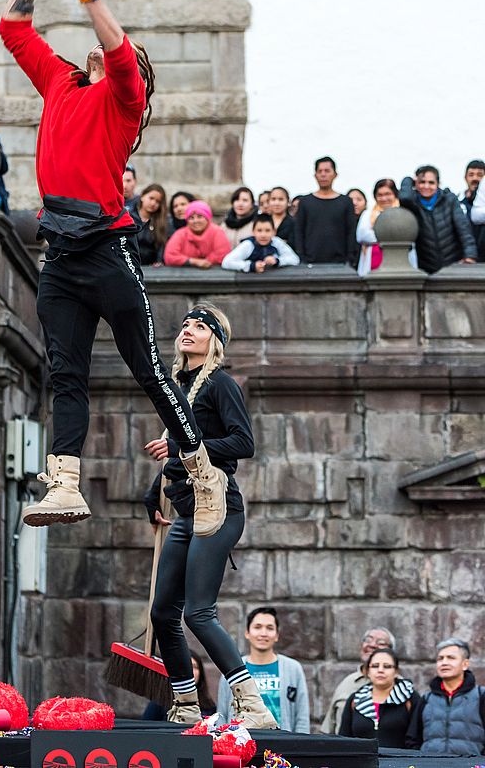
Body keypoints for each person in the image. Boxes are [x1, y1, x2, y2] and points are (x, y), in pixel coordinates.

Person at [0, 0, 226, 534]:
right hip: (61, 254)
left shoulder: (124, 101)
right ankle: (64, 484)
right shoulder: (61, 83)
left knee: (149, 368)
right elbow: (14, 30)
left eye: (115, 54)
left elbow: (122, 53)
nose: (101, 52)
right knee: (63, 372)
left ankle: (202, 474)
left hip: (107, 250)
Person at [143, 304, 276, 730]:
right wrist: (155, 494)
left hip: (219, 510)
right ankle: (185, 703)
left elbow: (242, 442)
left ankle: (251, 704)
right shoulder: (177, 386)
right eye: (184, 324)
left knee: (198, 612)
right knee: (163, 612)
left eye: (199, 327)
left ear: (214, 340)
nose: (188, 330)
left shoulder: (220, 384)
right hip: (185, 511)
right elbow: (178, 455)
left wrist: (188, 446)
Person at [216, 606, 309, 733]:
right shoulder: (231, 669)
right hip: (241, 745)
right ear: (247, 633)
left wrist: (299, 747)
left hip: (283, 745)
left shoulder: (293, 669)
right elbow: (222, 715)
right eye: (257, 627)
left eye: (269, 628)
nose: (263, 633)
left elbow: (302, 718)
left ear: (277, 635)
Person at [406, 639, 485, 755]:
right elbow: (412, 739)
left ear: (465, 664)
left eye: (451, 658)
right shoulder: (426, 699)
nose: (444, 662)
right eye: (440, 658)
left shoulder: (480, 695)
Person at [399, 165, 477, 272]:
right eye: (422, 182)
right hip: (427, 265)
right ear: (416, 183)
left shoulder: (449, 200)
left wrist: (470, 255)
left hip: (454, 263)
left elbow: (463, 228)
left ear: (438, 184)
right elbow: (404, 197)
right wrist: (408, 179)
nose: (426, 186)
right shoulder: (414, 203)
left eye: (431, 182)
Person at [321, 627, 397, 733]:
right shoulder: (347, 683)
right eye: (368, 640)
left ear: (391, 652)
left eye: (381, 642)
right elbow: (328, 729)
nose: (372, 645)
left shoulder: (402, 689)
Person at [339, 648, 414, 747]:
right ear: (368, 671)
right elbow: (344, 739)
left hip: (400, 761)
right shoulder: (355, 700)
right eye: (375, 666)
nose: (380, 670)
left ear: (396, 672)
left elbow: (415, 740)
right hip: (361, 761)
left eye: (387, 666)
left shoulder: (409, 698)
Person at [293, 157, 357, 266]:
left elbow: (351, 232)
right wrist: (301, 257)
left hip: (339, 262)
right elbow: (299, 231)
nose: (323, 174)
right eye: (320, 171)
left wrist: (349, 258)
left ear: (335, 174)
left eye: (327, 171)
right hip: (310, 262)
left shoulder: (345, 202)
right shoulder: (305, 202)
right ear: (315, 175)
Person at [356, 178, 417, 275]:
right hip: (373, 261)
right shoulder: (368, 214)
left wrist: (378, 235)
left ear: (395, 194)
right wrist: (393, 235)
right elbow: (362, 235)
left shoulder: (403, 213)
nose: (384, 198)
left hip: (402, 261)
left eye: (388, 194)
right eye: (380, 195)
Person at [142, 650, 216, 721]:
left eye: (194, 666)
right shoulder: (160, 701)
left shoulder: (209, 706)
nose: (190, 671)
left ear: (201, 673)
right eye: (186, 666)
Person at [221, 214, 300, 273]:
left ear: (274, 232)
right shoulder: (248, 244)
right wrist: (251, 266)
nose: (263, 235)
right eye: (259, 230)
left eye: (267, 230)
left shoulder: (277, 242)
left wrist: (277, 261)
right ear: (253, 232)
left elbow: (294, 259)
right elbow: (227, 262)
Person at [164, 200, 232, 268]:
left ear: (207, 218)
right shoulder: (180, 234)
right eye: (191, 218)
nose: (195, 221)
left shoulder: (217, 232)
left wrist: (206, 261)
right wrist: (193, 261)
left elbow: (223, 253)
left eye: (199, 216)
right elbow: (169, 256)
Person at [128, 183, 167, 266]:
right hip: (130, 265)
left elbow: (161, 245)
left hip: (151, 268)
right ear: (142, 196)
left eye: (158, 201)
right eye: (151, 198)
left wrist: (159, 261)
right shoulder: (129, 217)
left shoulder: (160, 222)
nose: (153, 203)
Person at [459, 159, 485, 262]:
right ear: (465, 178)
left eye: (480, 175)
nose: (475, 178)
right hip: (464, 258)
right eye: (471, 174)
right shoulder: (457, 202)